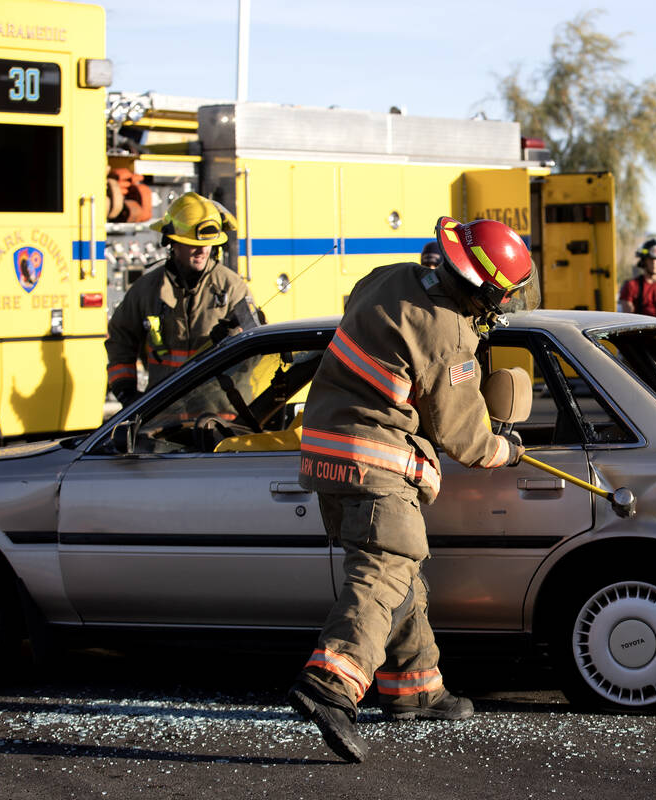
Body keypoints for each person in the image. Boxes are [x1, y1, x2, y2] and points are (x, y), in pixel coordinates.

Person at [288, 216, 534, 762]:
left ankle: (416, 689)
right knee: (385, 567)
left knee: (403, 577)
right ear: (482, 287)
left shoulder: (390, 277)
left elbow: (366, 315)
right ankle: (332, 684)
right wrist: (509, 449)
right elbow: (466, 439)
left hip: (327, 457)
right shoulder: (449, 335)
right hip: (377, 462)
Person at [106, 192, 254, 406]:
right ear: (172, 242)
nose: (203, 250)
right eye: (192, 243)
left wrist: (233, 340)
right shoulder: (146, 290)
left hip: (219, 416)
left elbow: (255, 353)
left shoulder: (232, 288)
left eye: (208, 244)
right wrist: (125, 391)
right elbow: (120, 339)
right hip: (164, 416)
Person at [619, 237, 656, 331]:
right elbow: (627, 321)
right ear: (643, 261)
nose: (654, 263)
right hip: (637, 337)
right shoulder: (631, 286)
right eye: (650, 259)